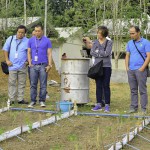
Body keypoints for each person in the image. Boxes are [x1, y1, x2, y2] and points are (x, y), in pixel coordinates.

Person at [85, 26, 113, 112]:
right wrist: (101, 53)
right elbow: (92, 52)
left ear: (103, 33)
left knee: (106, 85)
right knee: (98, 86)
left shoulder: (109, 42)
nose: (97, 34)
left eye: (99, 33)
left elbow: (107, 53)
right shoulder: (95, 42)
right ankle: (98, 104)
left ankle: (107, 105)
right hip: (97, 67)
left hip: (106, 66)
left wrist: (98, 52)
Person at [125, 25, 150, 114]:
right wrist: (127, 68)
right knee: (133, 90)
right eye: (130, 33)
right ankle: (133, 107)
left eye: (133, 33)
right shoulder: (129, 43)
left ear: (138, 32)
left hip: (141, 70)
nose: (131, 35)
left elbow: (148, 56)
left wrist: (142, 68)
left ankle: (143, 108)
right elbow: (127, 55)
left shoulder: (146, 42)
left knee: (142, 90)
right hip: (131, 70)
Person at [2, 25, 29, 105]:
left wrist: (28, 61)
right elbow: (5, 50)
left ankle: (20, 99)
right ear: (16, 31)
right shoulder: (10, 39)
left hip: (22, 66)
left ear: (25, 33)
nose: (20, 34)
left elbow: (29, 52)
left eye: (22, 33)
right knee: (12, 83)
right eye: (19, 32)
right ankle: (11, 99)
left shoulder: (27, 41)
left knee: (22, 83)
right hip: (12, 66)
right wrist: (7, 60)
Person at [27, 24, 52, 108]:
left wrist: (50, 64)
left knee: (43, 84)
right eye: (36, 31)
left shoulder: (47, 40)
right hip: (33, 65)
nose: (37, 32)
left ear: (42, 31)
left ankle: (42, 100)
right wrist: (30, 63)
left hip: (43, 65)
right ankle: (33, 101)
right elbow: (29, 52)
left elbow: (49, 53)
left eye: (39, 31)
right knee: (33, 84)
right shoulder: (30, 40)